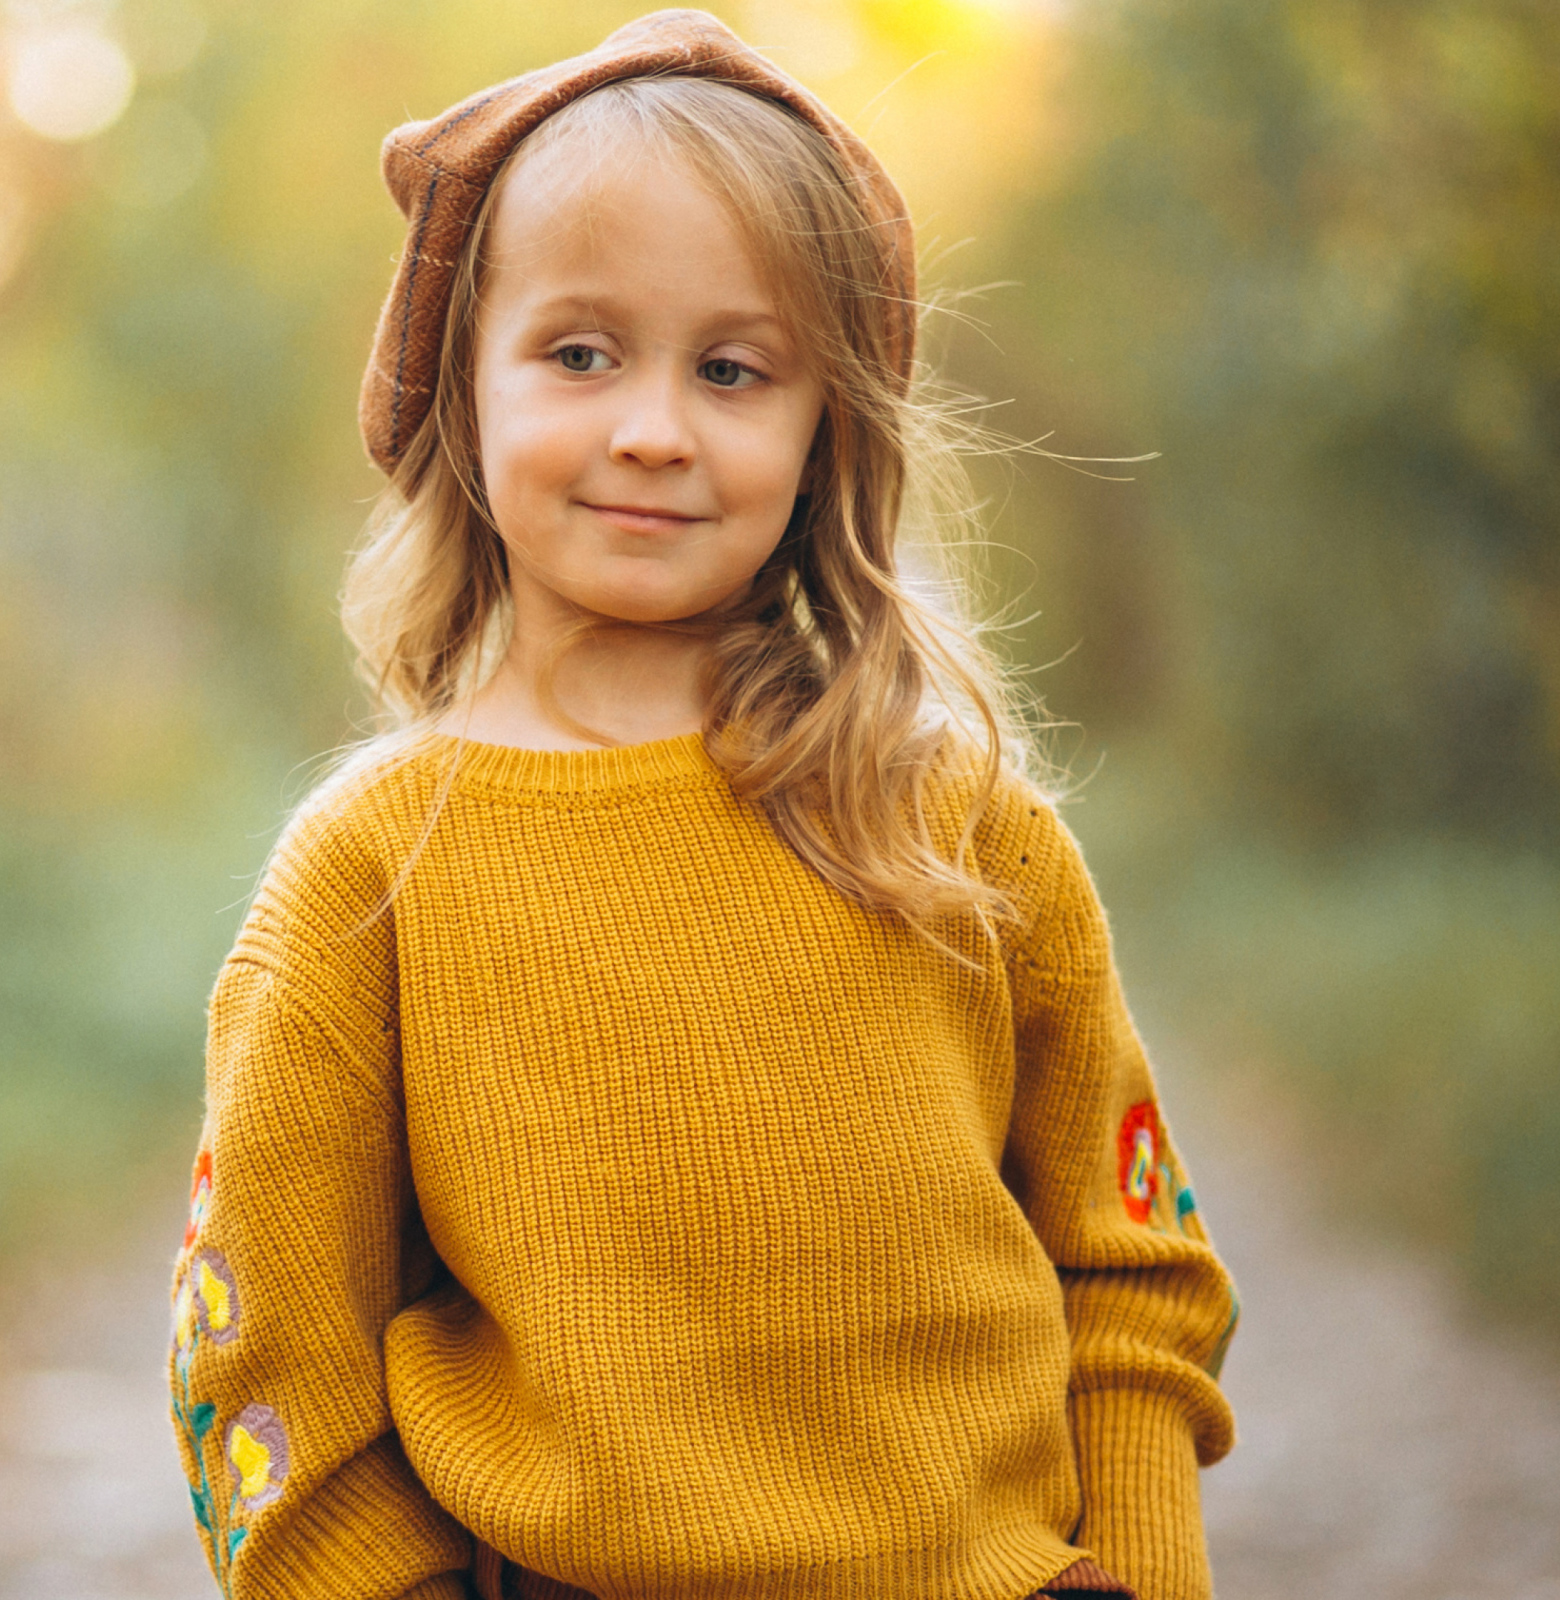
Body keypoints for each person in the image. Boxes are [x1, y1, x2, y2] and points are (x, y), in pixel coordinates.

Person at [164, 12, 1238, 1600]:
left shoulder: (955, 824)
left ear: (824, 438)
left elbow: (1128, 1270)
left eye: (733, 370)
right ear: (464, 389)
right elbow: (264, 1351)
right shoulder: (375, 872)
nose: (653, 428)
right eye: (581, 351)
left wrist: (1145, 1575)